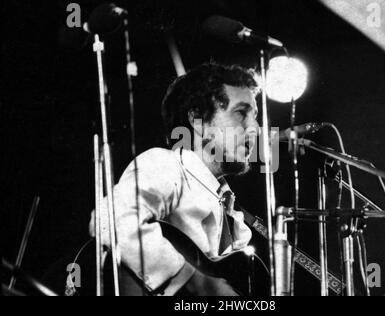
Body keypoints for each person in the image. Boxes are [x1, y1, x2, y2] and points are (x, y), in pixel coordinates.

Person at [91, 63, 260, 296]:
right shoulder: (166, 165)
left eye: (255, 117)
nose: (255, 129)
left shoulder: (237, 221)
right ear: (198, 120)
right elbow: (109, 220)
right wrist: (198, 282)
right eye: (241, 113)